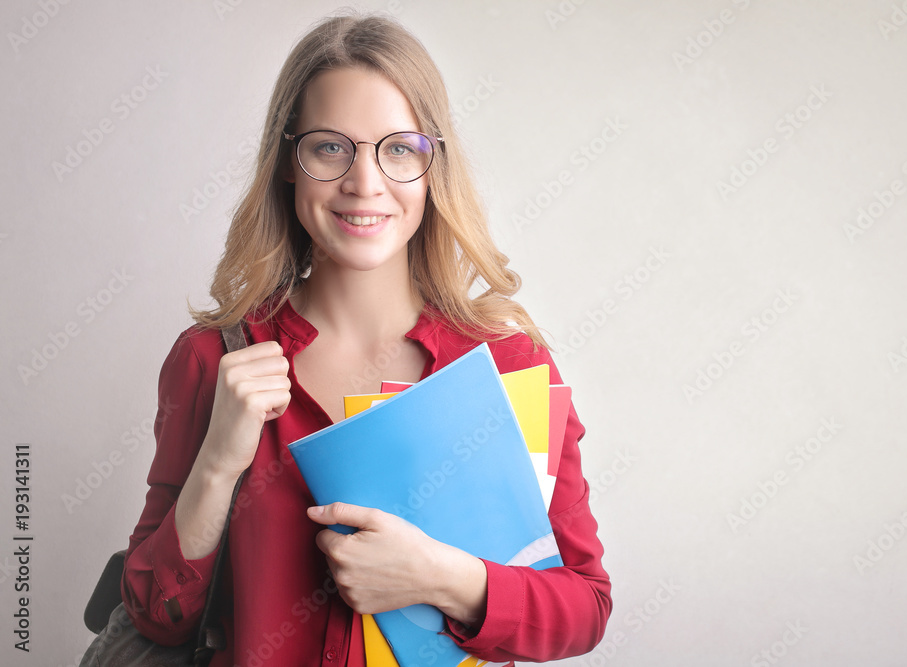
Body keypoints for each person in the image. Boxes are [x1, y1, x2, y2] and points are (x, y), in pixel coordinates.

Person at [121, 11, 611, 666]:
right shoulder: (214, 361)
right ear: (288, 161)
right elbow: (157, 615)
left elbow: (583, 608)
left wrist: (442, 576)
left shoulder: (508, 364)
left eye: (399, 148)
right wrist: (216, 465)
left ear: (433, 166)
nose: (364, 182)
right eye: (331, 147)